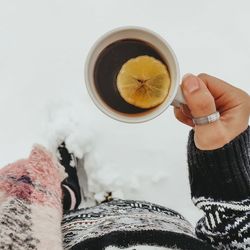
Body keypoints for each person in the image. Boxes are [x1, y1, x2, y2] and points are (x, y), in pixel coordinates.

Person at [0, 74, 249, 250]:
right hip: (165, 225)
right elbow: (237, 237)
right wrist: (224, 168)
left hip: (66, 233)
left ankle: (68, 194)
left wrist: (40, 195)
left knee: (41, 202)